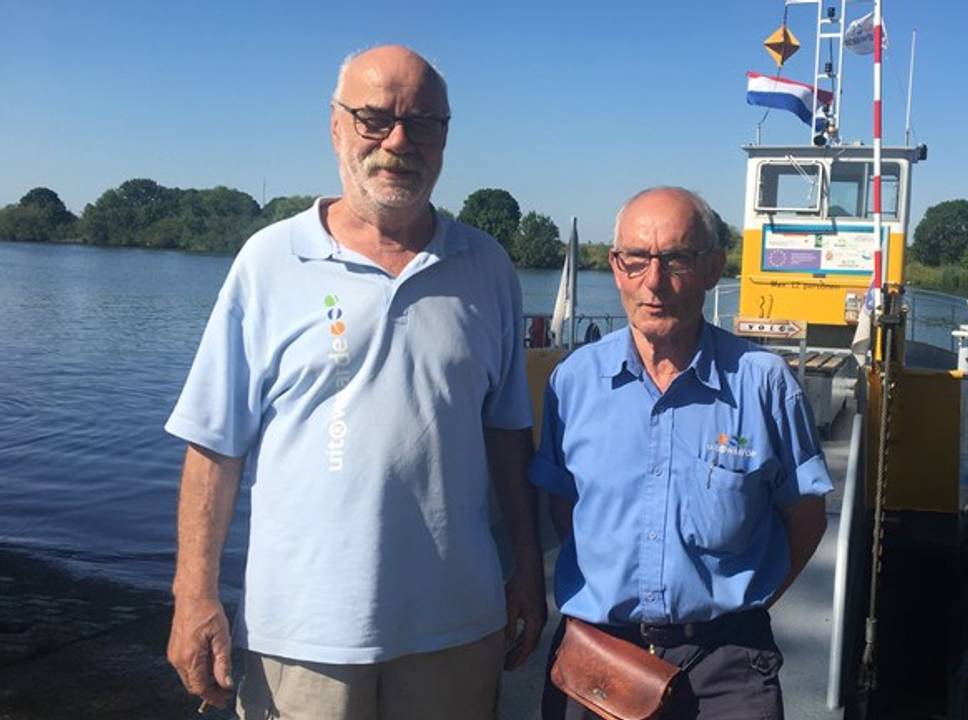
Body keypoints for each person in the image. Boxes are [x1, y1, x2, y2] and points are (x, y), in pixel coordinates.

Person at [164, 45, 545, 719]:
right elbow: (215, 445)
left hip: (457, 626)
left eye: (423, 122)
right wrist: (194, 595)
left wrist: (526, 568)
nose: (399, 140)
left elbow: (507, 437)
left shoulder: (487, 268)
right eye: (375, 118)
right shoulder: (270, 261)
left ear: (446, 138)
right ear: (336, 127)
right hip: (303, 638)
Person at [531, 187, 832, 719]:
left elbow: (805, 517)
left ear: (713, 267)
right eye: (636, 260)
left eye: (676, 259)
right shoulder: (573, 383)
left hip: (727, 667)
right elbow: (564, 507)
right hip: (598, 656)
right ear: (616, 266)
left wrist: (744, 605)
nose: (654, 282)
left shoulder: (764, 385)